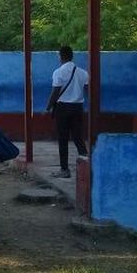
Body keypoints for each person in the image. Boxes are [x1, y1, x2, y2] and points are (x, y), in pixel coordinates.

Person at [45, 46, 89, 178]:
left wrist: (48, 107)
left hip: (63, 108)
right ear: (71, 56)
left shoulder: (58, 72)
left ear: (61, 56)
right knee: (78, 137)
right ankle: (87, 167)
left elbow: (55, 92)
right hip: (77, 107)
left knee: (63, 139)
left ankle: (64, 170)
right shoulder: (83, 73)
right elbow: (87, 91)